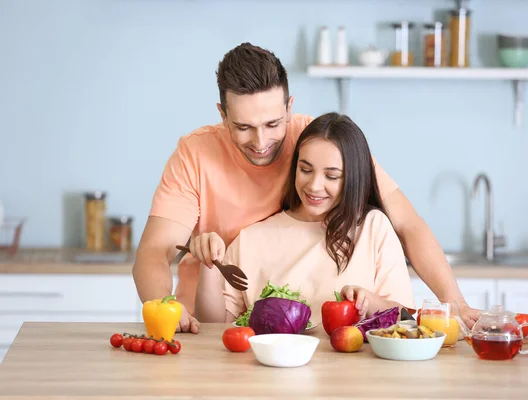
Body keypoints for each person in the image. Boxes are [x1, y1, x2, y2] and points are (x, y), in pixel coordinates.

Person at [132, 42, 480, 334]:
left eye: (272, 123)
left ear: (289, 107)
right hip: (203, 321)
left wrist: (457, 304)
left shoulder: (321, 142)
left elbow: (407, 224)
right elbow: (153, 252)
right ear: (223, 115)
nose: (261, 141)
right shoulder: (195, 153)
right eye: (243, 127)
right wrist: (164, 311)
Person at [199, 112, 416, 323]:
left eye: (331, 176)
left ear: (353, 178)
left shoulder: (373, 227)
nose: (314, 186)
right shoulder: (250, 240)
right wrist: (208, 264)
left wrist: (370, 302)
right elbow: (214, 327)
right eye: (305, 170)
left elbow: (404, 319)